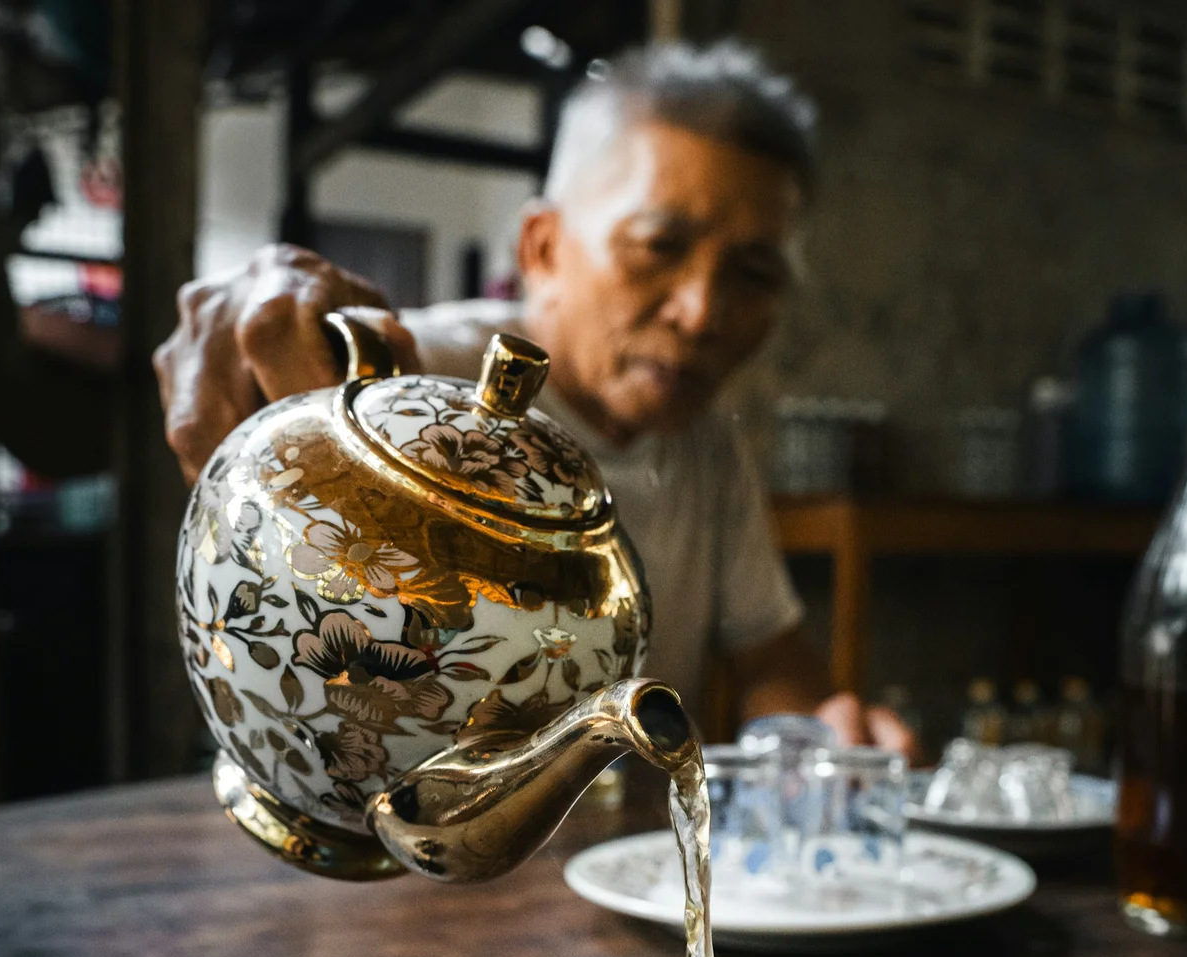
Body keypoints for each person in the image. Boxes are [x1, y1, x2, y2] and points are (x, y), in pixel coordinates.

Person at [153, 40, 912, 756]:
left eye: (753, 275)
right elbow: (271, 350)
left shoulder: (704, 443)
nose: (702, 312)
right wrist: (261, 308)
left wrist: (820, 734)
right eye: (659, 246)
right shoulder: (414, 382)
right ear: (543, 248)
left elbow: (771, 655)